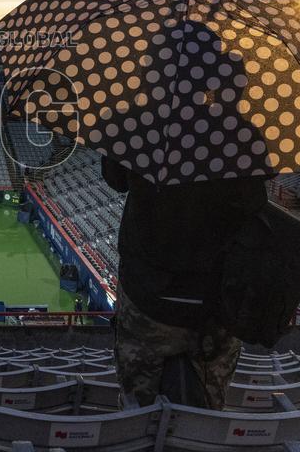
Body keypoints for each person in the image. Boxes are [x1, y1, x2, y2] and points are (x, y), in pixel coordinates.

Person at [101, 156, 268, 410]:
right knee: (207, 409)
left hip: (147, 296)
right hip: (218, 303)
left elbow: (115, 178)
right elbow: (257, 195)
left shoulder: (143, 123)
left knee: (137, 407)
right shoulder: (243, 132)